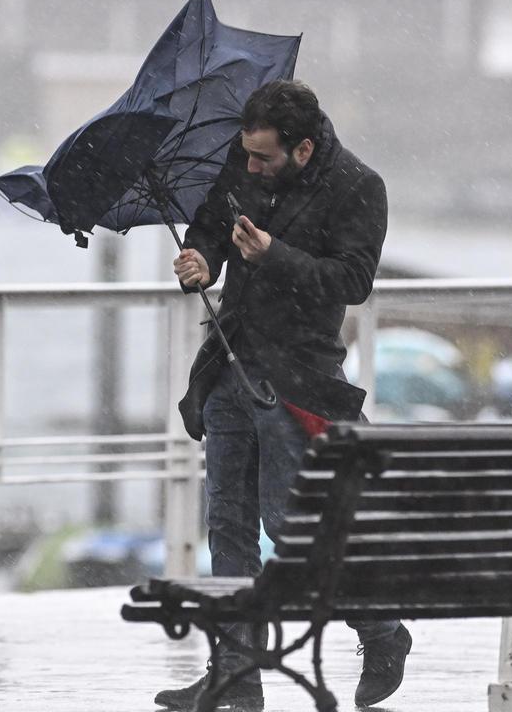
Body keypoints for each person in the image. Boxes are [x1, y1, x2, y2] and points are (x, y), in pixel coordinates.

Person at [157, 79, 411, 711]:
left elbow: (352, 282)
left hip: (298, 377)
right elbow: (211, 229)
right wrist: (201, 260)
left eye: (263, 157)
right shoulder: (242, 166)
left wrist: (274, 254)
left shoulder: (358, 186)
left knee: (289, 525)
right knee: (229, 527)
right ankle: (237, 676)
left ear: (301, 148)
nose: (250, 166)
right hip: (229, 366)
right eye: (246, 154)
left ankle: (380, 630)